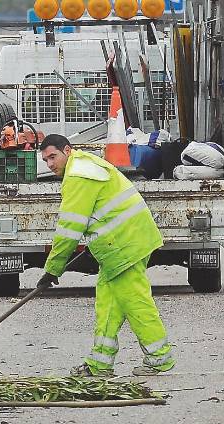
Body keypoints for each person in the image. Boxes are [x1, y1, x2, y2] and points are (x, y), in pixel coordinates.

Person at [36, 134, 174, 377]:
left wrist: (52, 269)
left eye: (52, 157)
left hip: (125, 247)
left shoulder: (79, 176)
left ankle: (159, 358)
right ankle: (100, 363)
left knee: (135, 301)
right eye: (45, 160)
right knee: (107, 305)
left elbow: (70, 229)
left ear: (67, 150)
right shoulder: (84, 164)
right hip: (120, 246)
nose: (49, 164)